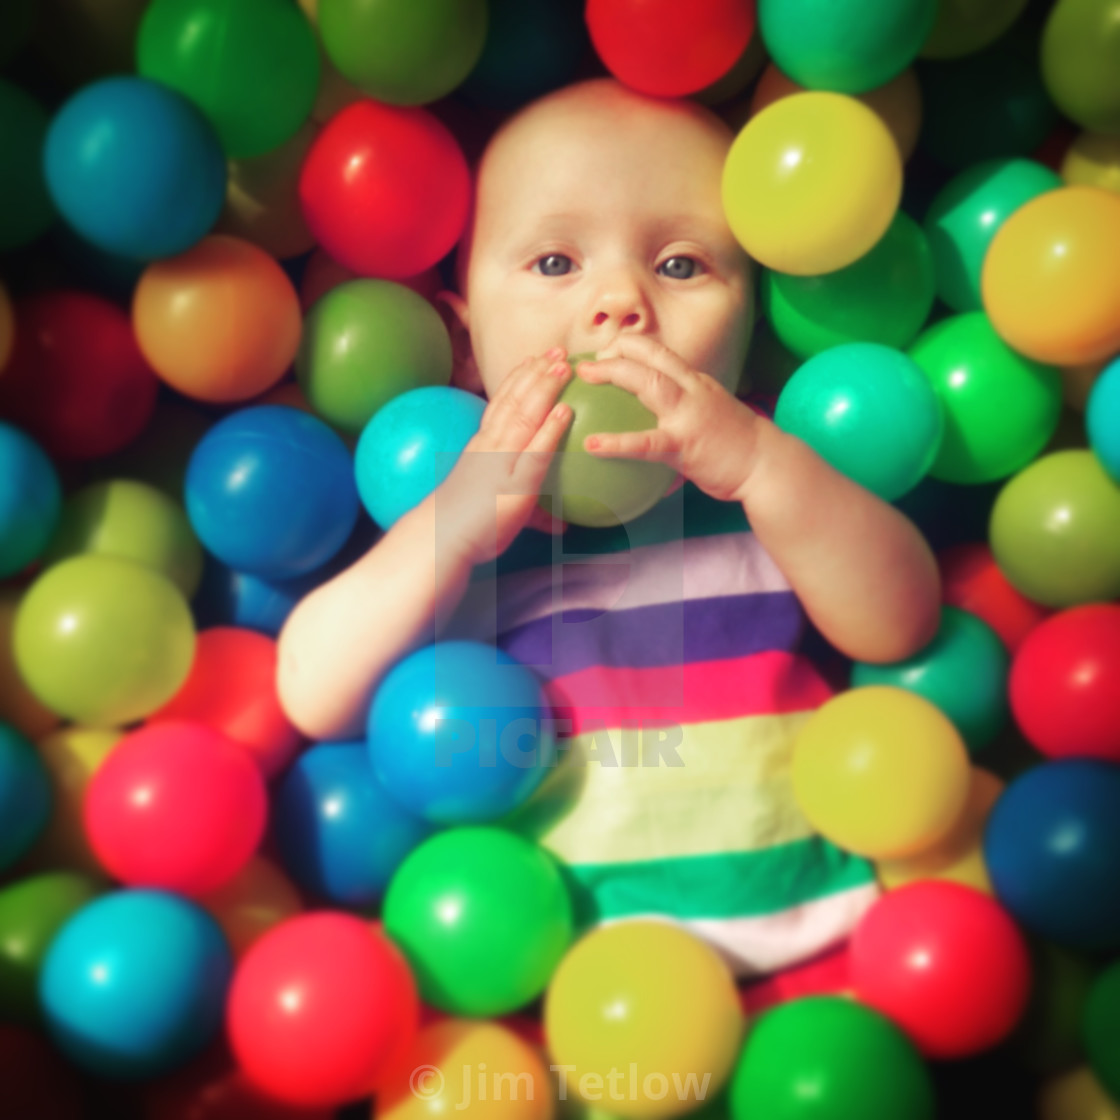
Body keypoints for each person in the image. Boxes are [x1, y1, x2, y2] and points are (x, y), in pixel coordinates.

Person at [277, 78, 942, 976]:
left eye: (680, 264)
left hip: (810, 953)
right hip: (555, 984)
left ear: (755, 336)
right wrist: (455, 527)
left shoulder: (767, 500)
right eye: (556, 263)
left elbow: (901, 620)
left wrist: (759, 466)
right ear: (465, 344)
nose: (620, 302)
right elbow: (312, 690)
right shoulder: (458, 541)